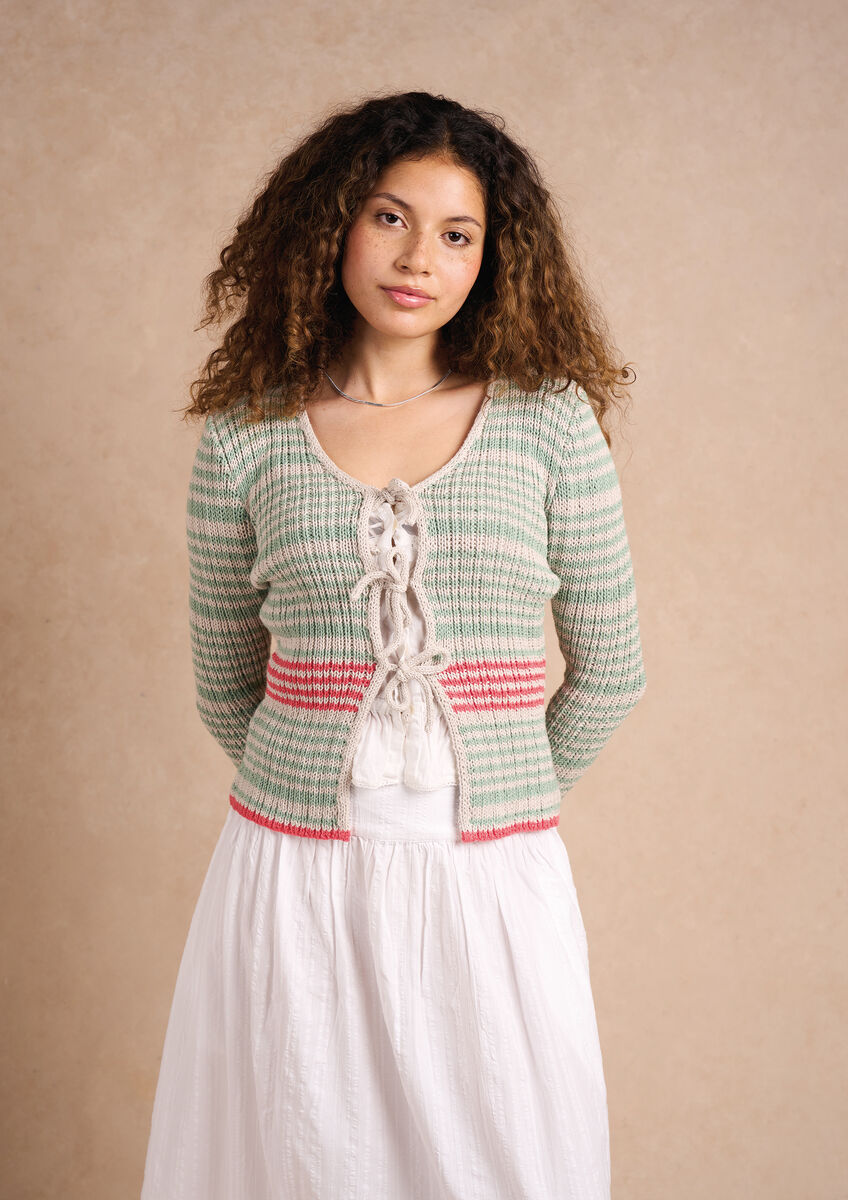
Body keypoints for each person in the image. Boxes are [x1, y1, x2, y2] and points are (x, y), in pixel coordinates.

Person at [141, 89, 647, 1200]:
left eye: (458, 234)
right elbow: (224, 684)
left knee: (503, 1162)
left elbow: (612, 670)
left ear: (493, 258)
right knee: (298, 1161)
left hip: (491, 877)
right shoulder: (246, 436)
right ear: (331, 224)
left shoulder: (547, 421)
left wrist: (505, 793)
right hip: (290, 879)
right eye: (390, 217)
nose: (421, 257)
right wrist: (307, 795)